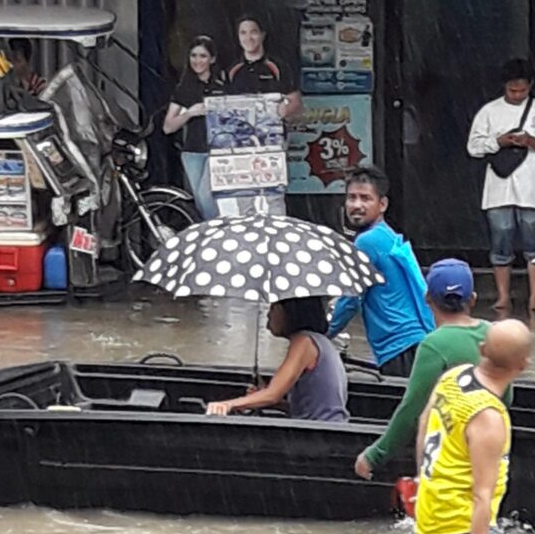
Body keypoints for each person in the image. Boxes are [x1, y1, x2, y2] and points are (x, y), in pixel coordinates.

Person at [354, 258, 510, 480]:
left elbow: (412, 409)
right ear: (473, 299)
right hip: (491, 452)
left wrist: (375, 455)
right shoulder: (493, 333)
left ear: (427, 298)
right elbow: (506, 396)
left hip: (451, 456)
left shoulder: (433, 345)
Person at [413, 319, 532, 534]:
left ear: (481, 349)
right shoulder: (488, 417)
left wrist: (422, 478)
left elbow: (424, 422)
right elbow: (482, 494)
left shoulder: (452, 377)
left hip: (430, 514)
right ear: (523, 366)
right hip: (460, 524)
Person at [467, 58, 535, 315]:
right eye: (512, 90)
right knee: (500, 246)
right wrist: (499, 141)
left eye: (522, 90)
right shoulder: (489, 111)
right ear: (504, 87)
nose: (517, 95)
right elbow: (473, 148)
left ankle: (534, 298)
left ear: (530, 85)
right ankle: (503, 297)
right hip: (499, 189)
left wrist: (530, 140)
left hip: (533, 190)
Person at [327, 167, 434, 376]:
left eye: (365, 198)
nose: (356, 205)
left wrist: (322, 335)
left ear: (382, 204)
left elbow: (351, 299)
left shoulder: (367, 241)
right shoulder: (386, 235)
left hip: (399, 345)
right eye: (351, 198)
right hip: (414, 341)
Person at [206, 297, 348, 422]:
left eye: (273, 308)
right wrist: (272, 402)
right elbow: (307, 407)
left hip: (321, 432)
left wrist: (227, 405)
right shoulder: (320, 341)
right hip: (325, 427)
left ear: (289, 312)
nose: (268, 314)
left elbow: (273, 393)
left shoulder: (304, 342)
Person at [163, 35, 227, 220]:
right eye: (194, 55)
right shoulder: (184, 88)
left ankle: (214, 232)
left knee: (207, 197)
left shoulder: (223, 85)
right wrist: (189, 113)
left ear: (212, 59)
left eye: (203, 56)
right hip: (192, 151)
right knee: (198, 201)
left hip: (218, 150)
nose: (197, 61)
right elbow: (168, 127)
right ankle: (208, 235)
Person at [227, 15, 302, 120]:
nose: (248, 38)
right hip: (240, 132)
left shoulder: (279, 67)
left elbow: (296, 102)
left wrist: (286, 109)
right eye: (243, 33)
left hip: (271, 131)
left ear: (262, 35)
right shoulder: (231, 70)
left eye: (253, 32)